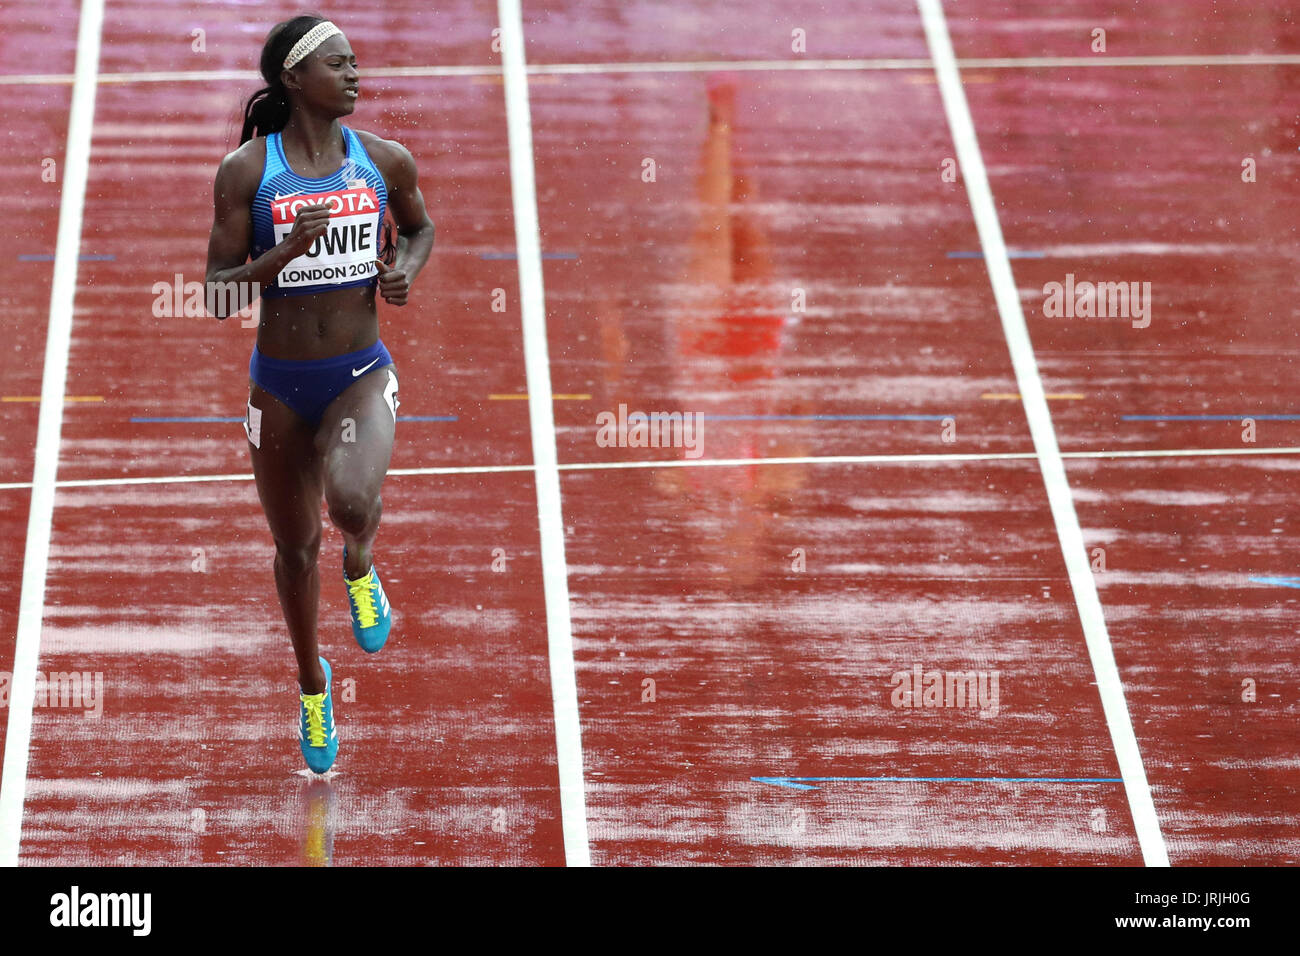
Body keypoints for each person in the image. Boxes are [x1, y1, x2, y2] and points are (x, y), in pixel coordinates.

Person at [204, 15, 435, 773]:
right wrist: (285, 254)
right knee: (295, 549)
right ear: (295, 80)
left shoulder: (384, 161)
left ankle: (363, 559)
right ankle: (313, 685)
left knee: (350, 506)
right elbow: (214, 293)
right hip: (278, 389)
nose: (356, 75)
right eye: (339, 65)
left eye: (357, 63)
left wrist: (403, 270)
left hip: (359, 376)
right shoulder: (247, 172)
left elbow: (420, 231)